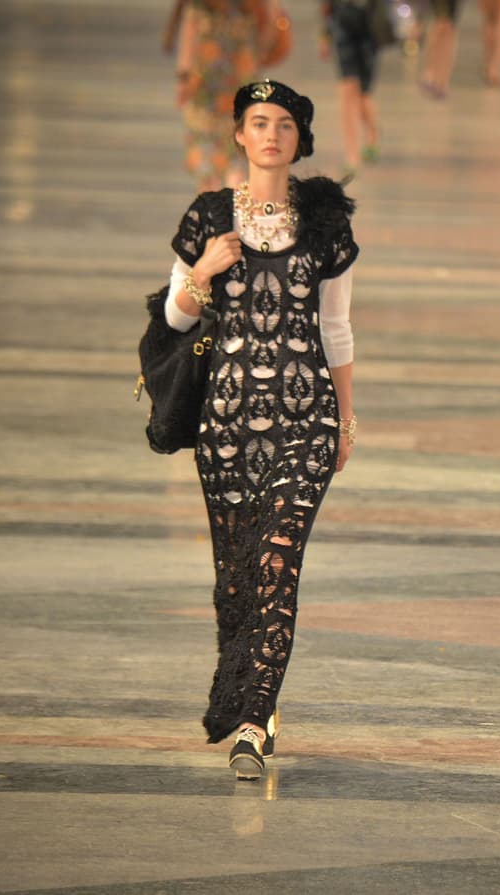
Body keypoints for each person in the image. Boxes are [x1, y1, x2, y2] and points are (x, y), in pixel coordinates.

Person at [163, 80, 359, 780]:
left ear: (300, 140)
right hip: (225, 426)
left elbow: (335, 326)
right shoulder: (210, 216)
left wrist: (346, 414)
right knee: (237, 578)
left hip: (306, 420)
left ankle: (252, 724)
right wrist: (203, 273)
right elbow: (173, 319)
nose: (270, 134)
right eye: (257, 122)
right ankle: (252, 699)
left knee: (278, 562)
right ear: (240, 136)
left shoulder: (325, 222)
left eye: (283, 124)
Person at [167, 0, 276, 190]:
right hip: (240, 73)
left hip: (204, 76)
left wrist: (183, 76)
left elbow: (190, 27)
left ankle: (212, 212)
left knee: (207, 159)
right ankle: (235, 209)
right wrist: (256, 55)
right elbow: (271, 21)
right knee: (238, 151)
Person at [321, 0, 382, 174]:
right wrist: (324, 35)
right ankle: (352, 155)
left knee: (364, 93)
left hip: (371, 23)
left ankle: (372, 133)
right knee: (347, 92)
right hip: (342, 23)